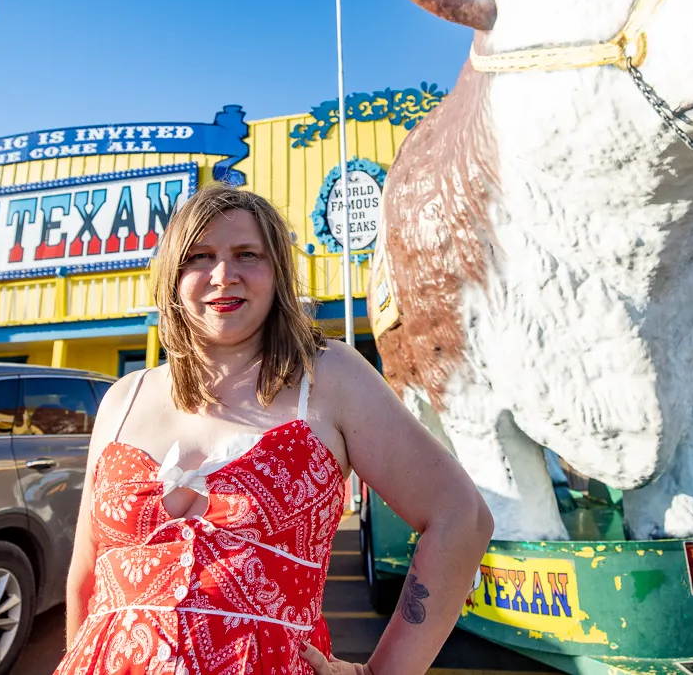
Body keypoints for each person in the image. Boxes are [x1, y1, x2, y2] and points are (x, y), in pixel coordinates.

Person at [59, 185, 494, 675]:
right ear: (173, 277)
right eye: (200, 257)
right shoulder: (124, 397)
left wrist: (382, 673)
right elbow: (85, 574)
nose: (224, 275)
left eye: (247, 255)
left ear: (278, 273)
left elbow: (461, 518)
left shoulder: (330, 377)